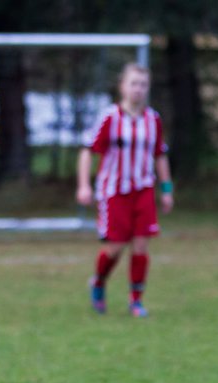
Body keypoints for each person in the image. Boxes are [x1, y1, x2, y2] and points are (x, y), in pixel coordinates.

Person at [76, 63, 174, 317]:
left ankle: (136, 300)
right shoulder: (110, 117)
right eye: (133, 83)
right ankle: (98, 281)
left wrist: (166, 188)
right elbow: (88, 151)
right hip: (114, 192)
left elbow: (160, 155)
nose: (138, 89)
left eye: (143, 84)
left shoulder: (153, 119)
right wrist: (84, 185)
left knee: (141, 246)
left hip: (143, 190)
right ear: (122, 87)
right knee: (115, 247)